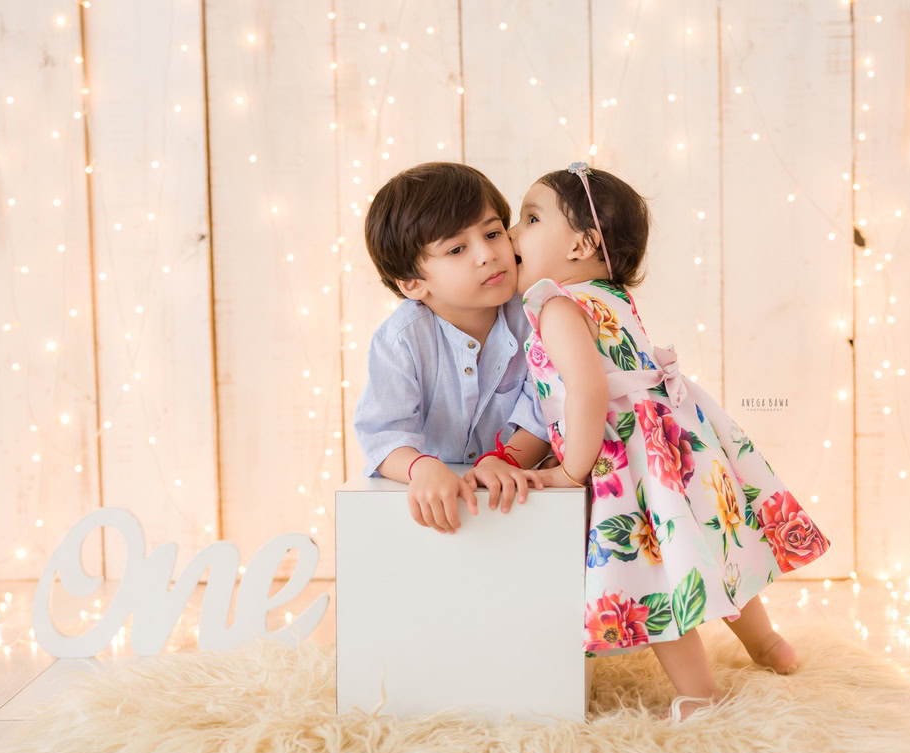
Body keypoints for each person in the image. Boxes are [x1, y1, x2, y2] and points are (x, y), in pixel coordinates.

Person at [511, 162, 831, 721]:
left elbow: (586, 393)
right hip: (674, 448)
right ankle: (767, 644)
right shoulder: (612, 297)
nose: (513, 235)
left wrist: (569, 471)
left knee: (658, 577)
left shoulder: (557, 306)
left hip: (626, 464)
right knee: (711, 547)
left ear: (582, 243)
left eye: (530, 218)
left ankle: (700, 693)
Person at [353, 162, 554, 535]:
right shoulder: (401, 340)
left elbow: (547, 409)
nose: (487, 254)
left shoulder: (537, 316)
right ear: (413, 284)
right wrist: (421, 468)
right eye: (457, 248)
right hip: (436, 511)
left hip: (517, 504)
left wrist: (504, 460)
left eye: (493, 233)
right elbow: (383, 434)